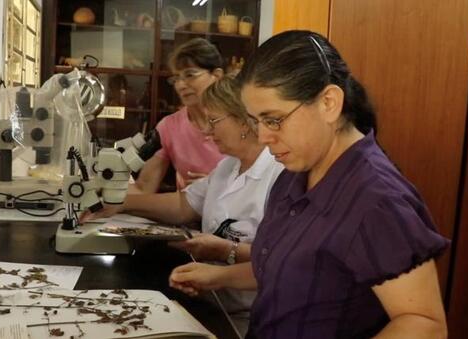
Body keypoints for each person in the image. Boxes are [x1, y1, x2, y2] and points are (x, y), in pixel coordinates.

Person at [169, 30, 449, 339]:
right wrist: (217, 277)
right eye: (256, 121)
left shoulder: (377, 201)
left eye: (273, 119)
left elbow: (423, 323)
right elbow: (289, 269)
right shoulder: (293, 175)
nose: (263, 136)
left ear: (329, 103)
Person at [82, 77, 284, 335]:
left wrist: (224, 251)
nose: (207, 132)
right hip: (210, 299)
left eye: (214, 121)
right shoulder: (228, 166)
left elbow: (281, 260)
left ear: (243, 120)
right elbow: (183, 204)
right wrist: (119, 204)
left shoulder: (278, 175)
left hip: (248, 317)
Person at [133, 38, 225, 193]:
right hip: (185, 214)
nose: (181, 85)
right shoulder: (169, 127)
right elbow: (144, 188)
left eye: (190, 75)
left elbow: (262, 183)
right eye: (176, 78)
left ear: (216, 75)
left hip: (237, 214)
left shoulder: (242, 121)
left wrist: (215, 186)